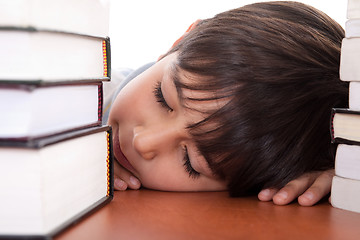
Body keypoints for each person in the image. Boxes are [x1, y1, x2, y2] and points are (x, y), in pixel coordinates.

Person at [105, 1, 349, 206]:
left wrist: (347, 172)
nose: (143, 141)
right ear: (180, 39)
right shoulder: (80, 81)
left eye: (191, 163)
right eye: (163, 98)